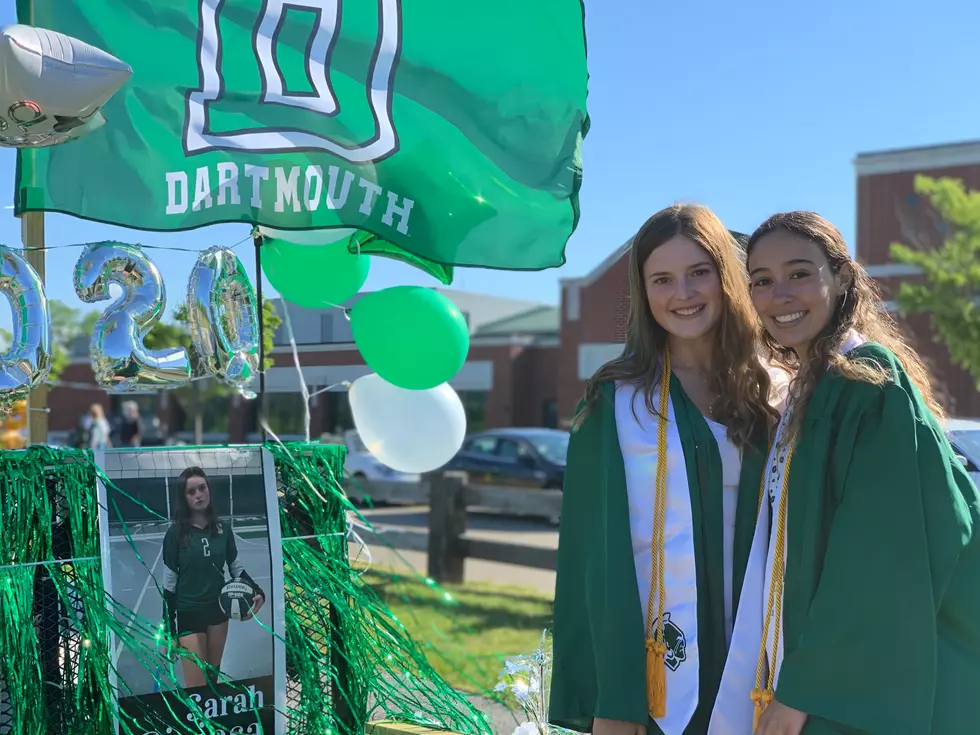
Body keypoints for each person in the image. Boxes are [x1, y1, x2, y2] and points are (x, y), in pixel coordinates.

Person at [550, 204, 787, 735]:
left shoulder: (778, 390)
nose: (683, 293)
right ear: (643, 292)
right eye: (662, 278)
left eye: (699, 272)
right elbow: (595, 562)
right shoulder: (619, 403)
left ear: (727, 278)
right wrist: (615, 697)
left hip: (765, 657)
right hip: (664, 666)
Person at [744, 211, 980, 735]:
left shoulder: (868, 385)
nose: (779, 294)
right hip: (812, 668)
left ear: (842, 278)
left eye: (799, 273)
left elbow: (872, 555)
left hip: (853, 688)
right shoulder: (811, 390)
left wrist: (801, 689)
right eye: (761, 281)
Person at [161, 467, 266, 688]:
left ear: (209, 490)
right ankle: (196, 723)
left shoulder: (223, 530)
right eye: (191, 491)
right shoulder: (175, 534)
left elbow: (236, 569)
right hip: (189, 614)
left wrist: (258, 592)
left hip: (218, 612)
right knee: (197, 688)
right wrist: (169, 631)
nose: (198, 495)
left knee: (212, 680)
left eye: (202, 488)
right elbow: (169, 586)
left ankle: (214, 722)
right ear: (184, 497)